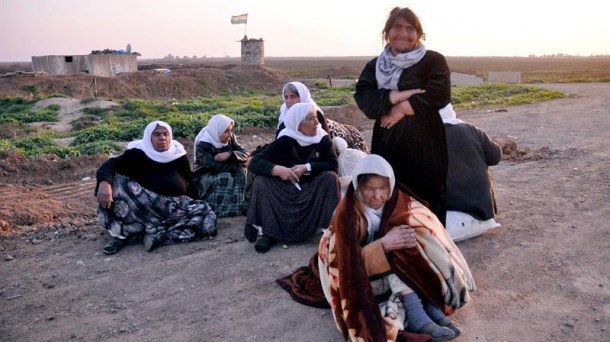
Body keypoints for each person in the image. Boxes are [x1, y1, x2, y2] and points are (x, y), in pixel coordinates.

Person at [277, 155, 475, 342]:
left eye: (382, 188)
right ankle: (417, 316)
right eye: (369, 189)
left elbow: (432, 235)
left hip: (383, 266)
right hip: (354, 268)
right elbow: (344, 262)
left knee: (414, 245)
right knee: (397, 255)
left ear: (391, 185)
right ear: (358, 187)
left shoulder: (400, 202)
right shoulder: (346, 215)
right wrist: (384, 244)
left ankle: (432, 307)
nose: (377, 196)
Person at [354, 7, 450, 225]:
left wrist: (402, 108)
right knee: (389, 197)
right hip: (388, 143)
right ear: (387, 32)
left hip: (426, 144)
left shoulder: (432, 61)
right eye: (397, 27)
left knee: (427, 201)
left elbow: (440, 94)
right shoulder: (374, 66)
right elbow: (365, 100)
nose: (404, 34)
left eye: (410, 29)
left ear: (418, 34)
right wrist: (398, 95)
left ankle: (429, 252)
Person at [96, 120, 217, 255]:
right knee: (118, 183)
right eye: (157, 135)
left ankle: (157, 236)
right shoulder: (137, 153)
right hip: (143, 209)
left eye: (166, 134)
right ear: (149, 137)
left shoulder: (178, 154)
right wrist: (104, 183)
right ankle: (121, 236)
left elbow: (189, 182)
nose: (162, 138)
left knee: (207, 217)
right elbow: (110, 165)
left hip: (172, 209)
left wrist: (197, 203)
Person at [245, 102, 340, 253]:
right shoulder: (286, 140)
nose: (316, 122)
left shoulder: (322, 139)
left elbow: (333, 163)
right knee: (261, 181)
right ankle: (268, 233)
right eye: (310, 119)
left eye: (316, 117)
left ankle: (328, 232)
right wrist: (277, 170)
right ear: (298, 124)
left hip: (311, 188)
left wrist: (307, 167)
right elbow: (255, 162)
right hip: (285, 188)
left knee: (330, 178)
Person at [440, 105, 503, 241]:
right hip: (485, 217)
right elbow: (495, 156)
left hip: (450, 224)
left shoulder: (422, 137)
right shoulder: (472, 130)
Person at [278, 81, 369, 152]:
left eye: (293, 97)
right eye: (286, 97)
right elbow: (279, 138)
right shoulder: (285, 112)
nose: (288, 101)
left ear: (302, 96)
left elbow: (327, 142)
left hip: (347, 137)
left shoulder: (315, 113)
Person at [193, 114, 249, 218]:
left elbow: (244, 153)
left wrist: (229, 154)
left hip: (225, 169)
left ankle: (236, 206)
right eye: (226, 131)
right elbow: (212, 167)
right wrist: (233, 166)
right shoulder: (203, 144)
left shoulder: (230, 138)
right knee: (225, 177)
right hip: (204, 176)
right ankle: (216, 209)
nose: (230, 134)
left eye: (230, 130)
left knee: (241, 170)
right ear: (217, 131)